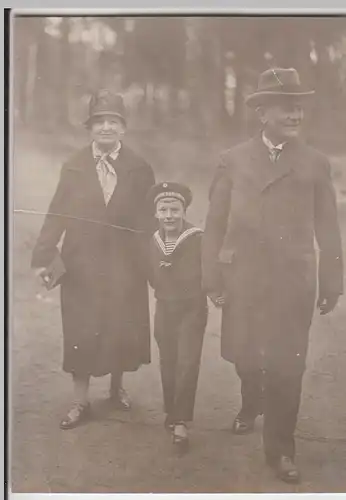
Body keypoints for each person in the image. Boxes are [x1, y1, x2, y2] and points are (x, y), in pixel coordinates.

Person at [202, 68, 343, 483]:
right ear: (262, 112)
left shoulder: (315, 164)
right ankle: (251, 400)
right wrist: (212, 277)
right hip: (243, 279)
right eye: (285, 106)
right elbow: (214, 223)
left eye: (299, 106)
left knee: (287, 365)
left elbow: (329, 228)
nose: (295, 113)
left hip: (292, 283)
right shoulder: (232, 160)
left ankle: (281, 448)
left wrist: (332, 281)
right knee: (246, 356)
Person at [31, 89, 156, 429]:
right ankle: (80, 401)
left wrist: (155, 263)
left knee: (120, 325)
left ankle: (117, 389)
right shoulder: (74, 166)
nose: (105, 128)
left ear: (123, 128)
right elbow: (56, 212)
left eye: (112, 121)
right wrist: (45, 255)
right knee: (81, 330)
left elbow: (149, 220)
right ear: (89, 129)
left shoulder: (139, 168)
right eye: (98, 122)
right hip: (81, 263)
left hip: (125, 264)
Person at [147, 182, 208, 452]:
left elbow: (209, 269)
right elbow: (150, 272)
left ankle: (182, 420)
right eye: (163, 210)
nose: (169, 215)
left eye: (174, 209)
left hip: (191, 308)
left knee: (187, 361)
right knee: (168, 360)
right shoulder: (153, 240)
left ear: (183, 211)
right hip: (165, 307)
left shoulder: (197, 238)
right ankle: (172, 412)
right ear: (156, 214)